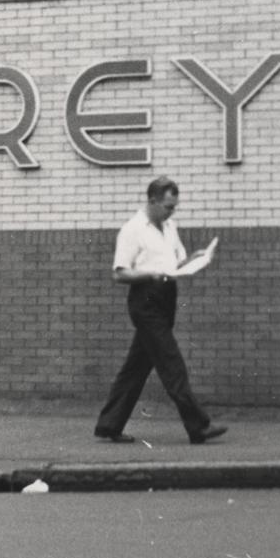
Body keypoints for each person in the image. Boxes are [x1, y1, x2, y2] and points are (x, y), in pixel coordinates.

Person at [93, 177, 227, 445]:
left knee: (136, 367)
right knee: (171, 362)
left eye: (174, 207)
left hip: (166, 297)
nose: (171, 211)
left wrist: (195, 258)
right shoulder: (133, 230)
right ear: (152, 201)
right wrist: (149, 274)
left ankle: (109, 425)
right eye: (167, 206)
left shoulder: (169, 226)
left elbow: (176, 263)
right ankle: (197, 426)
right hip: (145, 300)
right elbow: (120, 273)